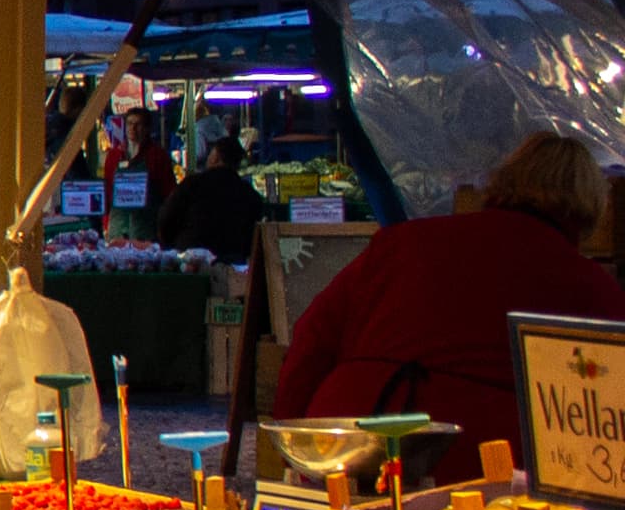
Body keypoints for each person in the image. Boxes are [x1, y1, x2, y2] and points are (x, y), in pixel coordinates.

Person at [275, 132, 625, 455]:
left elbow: (312, 340)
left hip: (344, 435)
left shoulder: (404, 242)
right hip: (473, 460)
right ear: (590, 206)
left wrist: (289, 444)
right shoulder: (590, 286)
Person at [160, 133, 267, 266]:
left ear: (216, 158)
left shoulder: (192, 184)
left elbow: (167, 217)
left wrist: (169, 247)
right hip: (234, 263)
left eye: (211, 153)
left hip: (192, 260)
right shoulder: (249, 194)